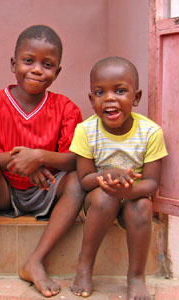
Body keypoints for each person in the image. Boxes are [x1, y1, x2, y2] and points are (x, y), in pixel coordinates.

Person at [0, 25, 85, 298]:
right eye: (28, 61)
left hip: (48, 190)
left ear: (57, 72)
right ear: (14, 64)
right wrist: (22, 164)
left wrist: (39, 158)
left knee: (76, 183)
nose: (37, 69)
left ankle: (35, 261)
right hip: (6, 192)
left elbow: (74, 159)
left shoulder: (66, 108)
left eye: (47, 64)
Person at [69, 57, 168, 300]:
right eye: (100, 92)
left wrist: (125, 192)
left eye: (120, 91)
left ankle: (136, 277)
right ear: (92, 101)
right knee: (104, 198)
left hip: (131, 199)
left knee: (143, 205)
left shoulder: (151, 133)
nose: (110, 98)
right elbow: (84, 179)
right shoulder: (86, 130)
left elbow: (152, 183)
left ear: (136, 97)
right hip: (98, 200)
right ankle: (84, 268)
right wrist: (109, 177)